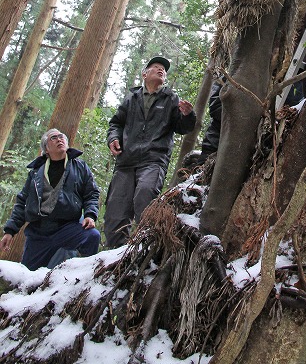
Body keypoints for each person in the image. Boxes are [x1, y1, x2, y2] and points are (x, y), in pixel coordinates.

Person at [104, 55, 196, 248]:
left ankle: (146, 248)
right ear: (144, 74)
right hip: (125, 161)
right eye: (156, 67)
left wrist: (188, 115)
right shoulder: (131, 98)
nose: (161, 70)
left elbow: (182, 127)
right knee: (116, 209)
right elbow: (116, 123)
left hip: (154, 159)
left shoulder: (171, 98)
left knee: (145, 196)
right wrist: (113, 138)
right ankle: (116, 254)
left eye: (164, 69)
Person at [0, 129, 100, 270]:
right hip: (39, 231)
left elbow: (91, 194)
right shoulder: (35, 172)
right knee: (27, 277)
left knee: (92, 236)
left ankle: (85, 277)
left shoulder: (80, 167)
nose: (59, 139)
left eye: (61, 137)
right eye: (54, 138)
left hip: (67, 227)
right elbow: (22, 202)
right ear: (46, 148)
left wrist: (90, 215)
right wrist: (10, 231)